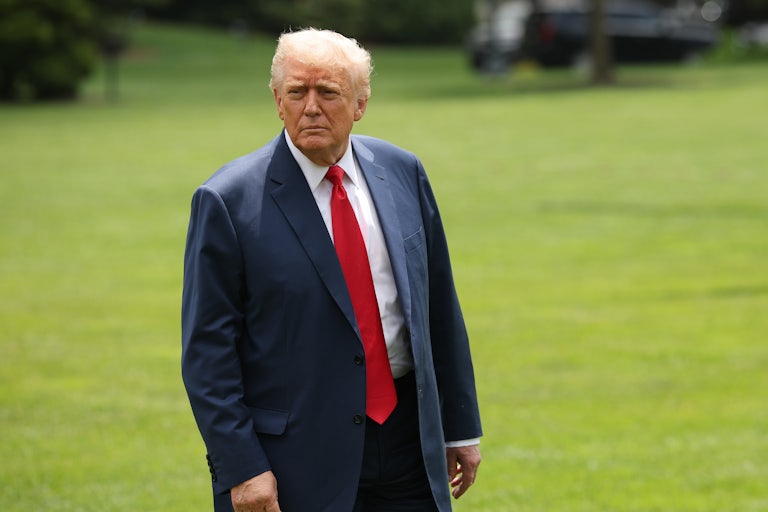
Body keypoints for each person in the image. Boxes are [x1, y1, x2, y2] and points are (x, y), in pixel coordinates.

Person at [181, 28, 482, 512]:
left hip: (407, 443)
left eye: (329, 93)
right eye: (297, 93)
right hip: (295, 458)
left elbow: (438, 307)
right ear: (278, 101)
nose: (311, 107)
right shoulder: (227, 201)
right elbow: (207, 356)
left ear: (360, 103)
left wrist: (460, 426)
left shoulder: (403, 170)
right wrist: (242, 467)